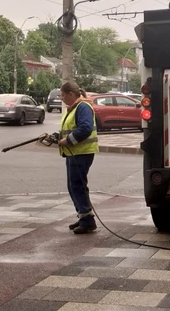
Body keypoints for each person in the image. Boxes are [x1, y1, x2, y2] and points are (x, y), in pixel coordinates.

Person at [57, 81, 99, 234]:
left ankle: (87, 221)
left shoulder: (82, 107)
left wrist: (67, 141)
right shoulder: (74, 107)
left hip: (81, 152)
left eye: (62, 95)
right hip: (74, 152)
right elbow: (71, 128)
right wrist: (56, 137)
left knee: (77, 186)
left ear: (70, 94)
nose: (61, 98)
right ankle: (83, 216)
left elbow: (85, 128)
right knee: (73, 185)